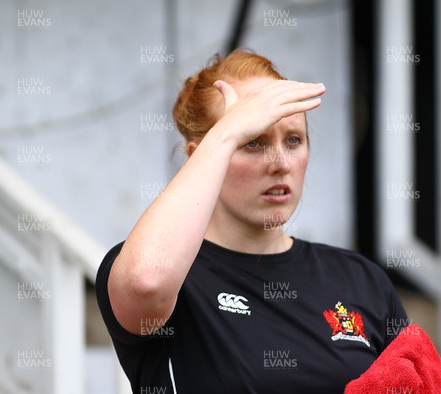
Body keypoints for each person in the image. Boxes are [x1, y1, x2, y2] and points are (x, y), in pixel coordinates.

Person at [96, 49, 408, 393]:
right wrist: (227, 134)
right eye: (252, 141)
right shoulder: (171, 278)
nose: (280, 163)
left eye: (293, 140)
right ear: (201, 156)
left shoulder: (362, 281)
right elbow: (146, 281)